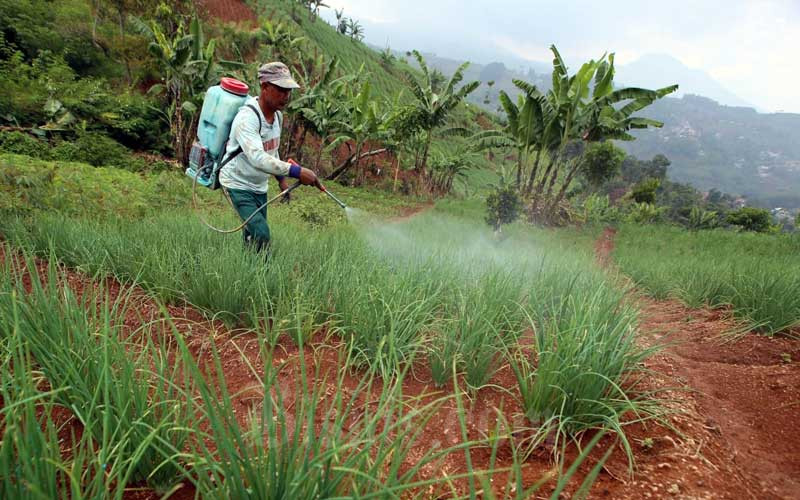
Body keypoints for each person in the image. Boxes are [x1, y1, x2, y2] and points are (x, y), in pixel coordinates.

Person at [219, 61, 319, 253]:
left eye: (288, 91)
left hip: (259, 186)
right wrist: (297, 172)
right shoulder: (247, 119)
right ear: (264, 87)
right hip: (237, 183)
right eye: (280, 89)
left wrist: (281, 180)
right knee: (261, 233)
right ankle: (260, 274)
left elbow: (272, 152)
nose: (286, 96)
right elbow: (258, 158)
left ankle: (249, 272)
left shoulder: (277, 117)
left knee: (252, 235)